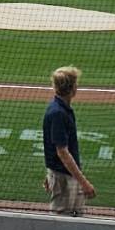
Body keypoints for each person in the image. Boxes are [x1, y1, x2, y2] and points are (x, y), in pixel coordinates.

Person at [42, 66, 93, 216]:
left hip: (65, 176)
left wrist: (50, 173)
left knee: (76, 219)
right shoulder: (58, 113)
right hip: (64, 179)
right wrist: (84, 183)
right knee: (61, 222)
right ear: (72, 88)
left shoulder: (61, 109)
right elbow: (62, 152)